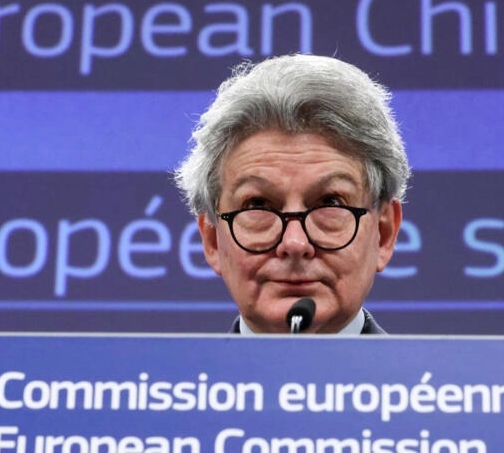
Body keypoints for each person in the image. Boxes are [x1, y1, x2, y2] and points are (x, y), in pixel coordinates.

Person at [175, 54, 410, 334]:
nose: (295, 243)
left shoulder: (440, 366)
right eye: (258, 205)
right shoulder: (149, 365)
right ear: (212, 239)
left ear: (384, 233)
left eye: (330, 202)